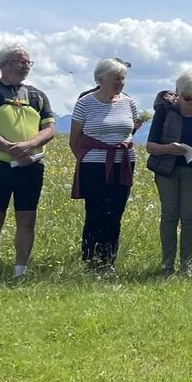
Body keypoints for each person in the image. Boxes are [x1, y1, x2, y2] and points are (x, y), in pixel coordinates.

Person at [0, 44, 56, 280]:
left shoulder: (38, 96)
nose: (25, 66)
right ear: (3, 65)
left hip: (31, 165)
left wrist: (29, 145)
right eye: (20, 61)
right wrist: (11, 148)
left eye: (28, 62)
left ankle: (20, 272)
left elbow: (49, 129)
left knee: (27, 219)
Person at [70, 59, 144, 270]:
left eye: (123, 78)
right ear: (101, 79)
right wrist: (87, 159)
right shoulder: (85, 103)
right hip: (94, 166)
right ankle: (90, 260)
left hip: (123, 164)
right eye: (116, 79)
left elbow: (129, 132)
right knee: (95, 213)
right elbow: (74, 140)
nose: (121, 83)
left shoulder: (129, 103)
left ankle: (108, 261)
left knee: (115, 214)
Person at [145, 71, 192, 275]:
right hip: (166, 169)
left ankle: (188, 265)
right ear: (178, 94)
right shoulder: (164, 111)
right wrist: (169, 148)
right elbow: (150, 146)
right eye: (188, 99)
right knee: (169, 215)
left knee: (190, 216)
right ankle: (167, 265)